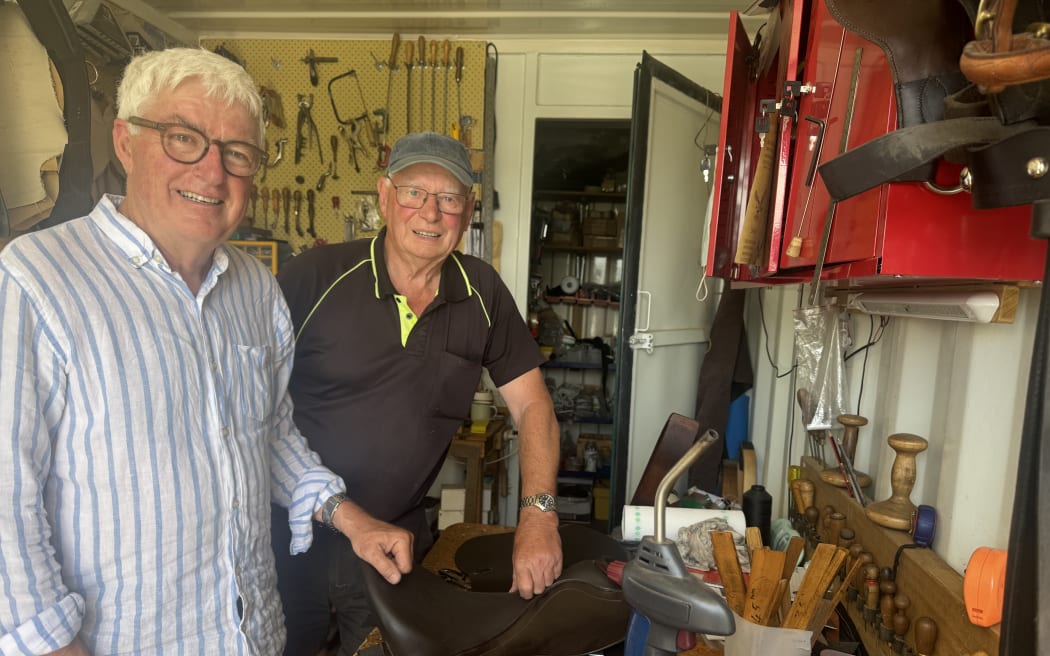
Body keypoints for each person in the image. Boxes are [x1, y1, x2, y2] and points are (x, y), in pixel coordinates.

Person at [0, 47, 412, 656]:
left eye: (237, 153)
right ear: (125, 141)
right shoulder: (36, 279)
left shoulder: (255, 288)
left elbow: (270, 435)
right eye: (183, 138)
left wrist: (350, 518)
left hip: (252, 637)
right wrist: (54, 647)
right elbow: (7, 497)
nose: (212, 173)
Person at [273, 131, 563, 654]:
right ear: (385, 196)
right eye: (414, 193)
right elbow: (253, 409)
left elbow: (533, 404)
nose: (430, 213)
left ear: (468, 210)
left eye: (449, 199)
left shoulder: (483, 292)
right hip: (289, 541)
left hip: (393, 546)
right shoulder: (314, 277)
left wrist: (538, 516)